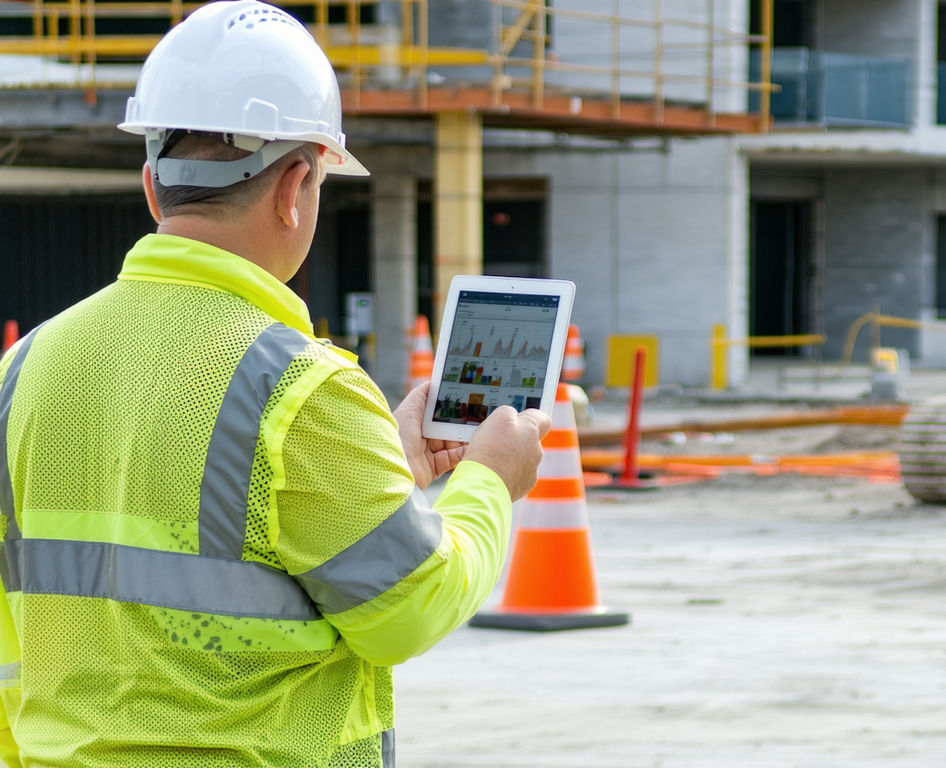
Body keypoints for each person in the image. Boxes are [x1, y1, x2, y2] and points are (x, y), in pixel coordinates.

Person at [0, 2, 550, 766]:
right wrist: (489, 479)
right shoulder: (299, 388)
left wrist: (382, 465)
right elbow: (410, 609)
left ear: (154, 187)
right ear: (296, 186)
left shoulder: (25, 368)